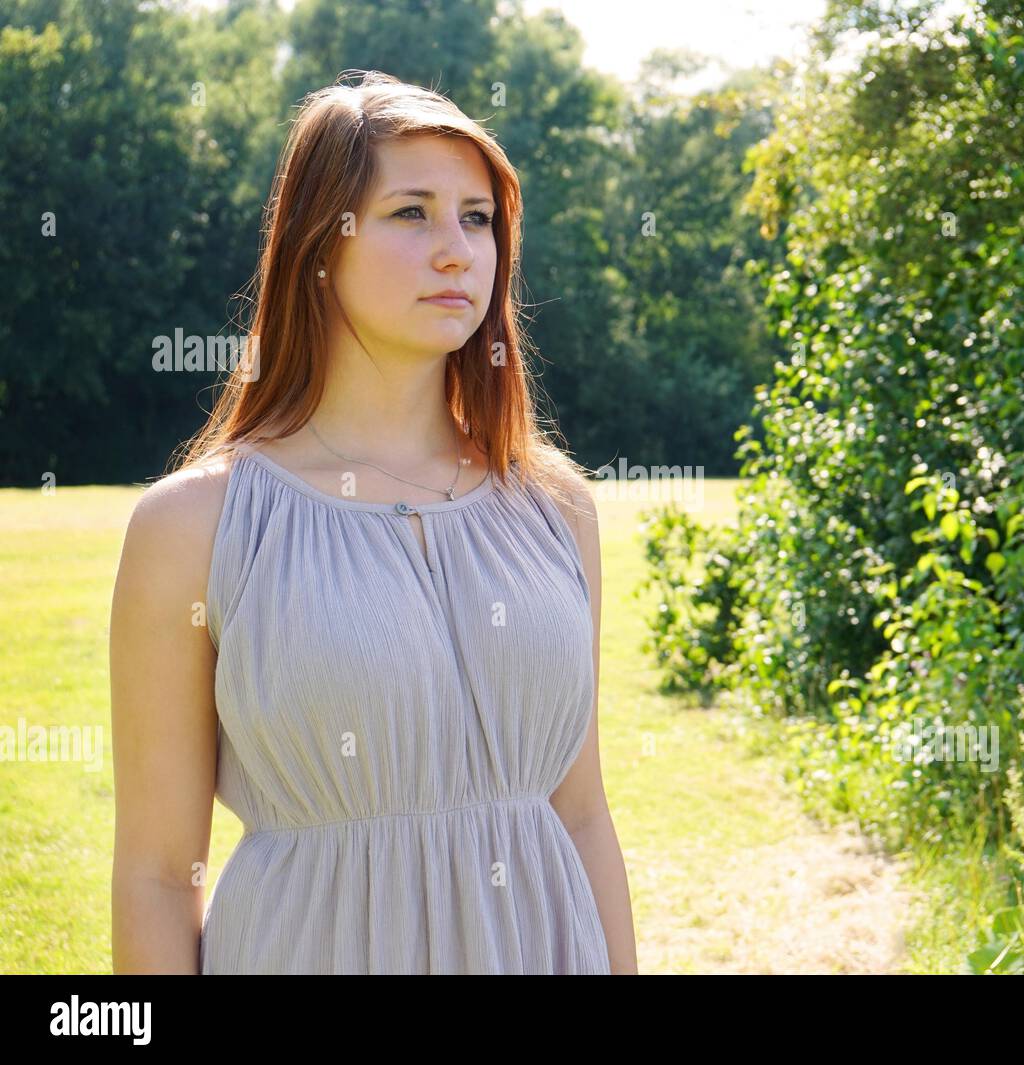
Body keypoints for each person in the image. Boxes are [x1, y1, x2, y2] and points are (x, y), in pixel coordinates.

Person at [109, 71, 636, 974]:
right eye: (412, 213)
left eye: (478, 218)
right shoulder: (195, 525)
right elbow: (159, 874)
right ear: (322, 244)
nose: (458, 251)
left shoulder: (554, 505)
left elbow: (578, 809)